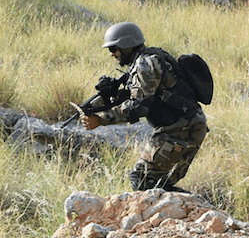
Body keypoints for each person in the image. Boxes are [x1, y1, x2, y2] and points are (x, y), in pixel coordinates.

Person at [80, 22, 208, 192]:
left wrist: (100, 119)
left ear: (126, 45)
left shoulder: (145, 65)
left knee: (142, 179)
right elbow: (135, 95)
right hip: (183, 126)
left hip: (182, 129)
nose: (112, 55)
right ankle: (187, 212)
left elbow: (137, 108)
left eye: (114, 49)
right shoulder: (144, 60)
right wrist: (101, 101)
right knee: (157, 184)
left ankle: (189, 212)